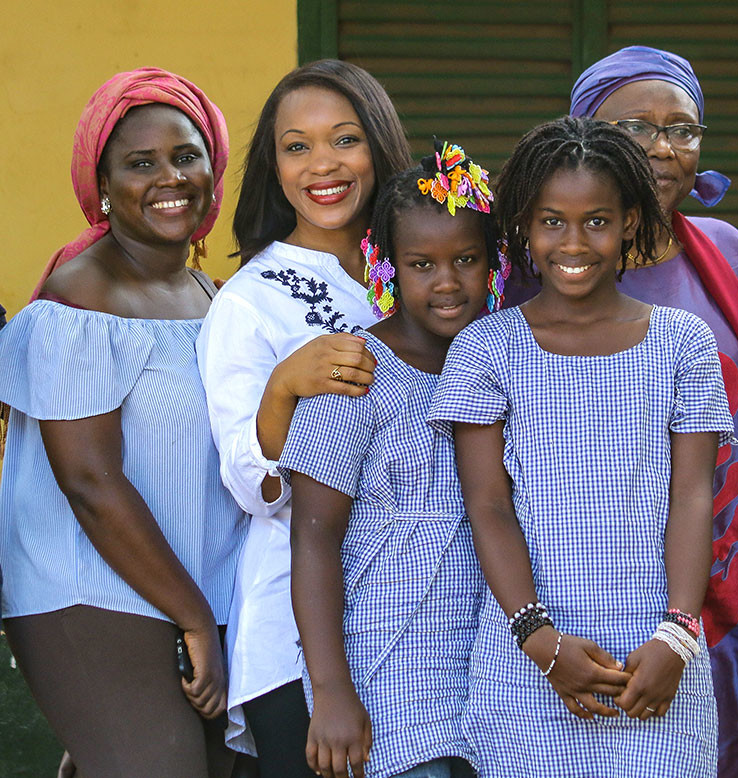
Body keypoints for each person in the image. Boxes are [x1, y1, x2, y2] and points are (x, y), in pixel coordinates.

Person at [429, 116, 732, 776]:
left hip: (657, 661)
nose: (572, 241)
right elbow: (488, 507)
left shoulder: (683, 345)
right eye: (550, 221)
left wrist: (678, 636)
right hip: (527, 661)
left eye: (596, 220)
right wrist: (540, 641)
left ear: (629, 220)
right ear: (524, 228)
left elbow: (693, 496)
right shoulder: (488, 349)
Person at [548, 44, 738, 777]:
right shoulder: (539, 267)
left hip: (727, 581)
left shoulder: (724, 254)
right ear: (584, 137)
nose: (663, 147)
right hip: (585, 588)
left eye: (683, 130)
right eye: (636, 128)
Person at [0, 68, 242, 777]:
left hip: (194, 585)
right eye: (141, 164)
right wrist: (195, 617)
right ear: (103, 185)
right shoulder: (82, 300)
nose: (170, 178)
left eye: (186, 156)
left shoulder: (211, 294)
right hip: (90, 590)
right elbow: (89, 482)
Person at [196, 59, 411, 776]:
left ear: (380, 147)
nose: (324, 164)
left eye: (345, 139)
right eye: (298, 146)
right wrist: (283, 388)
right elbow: (250, 483)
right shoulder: (250, 302)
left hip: (425, 618)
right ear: (274, 165)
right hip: (298, 636)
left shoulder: (428, 271)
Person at [278, 141, 505, 778]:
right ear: (387, 267)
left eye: (466, 260)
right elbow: (314, 541)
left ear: (495, 264)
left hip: (494, 678)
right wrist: (330, 691)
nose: (448, 282)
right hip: (390, 673)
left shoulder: (507, 368)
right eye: (421, 264)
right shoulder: (353, 376)